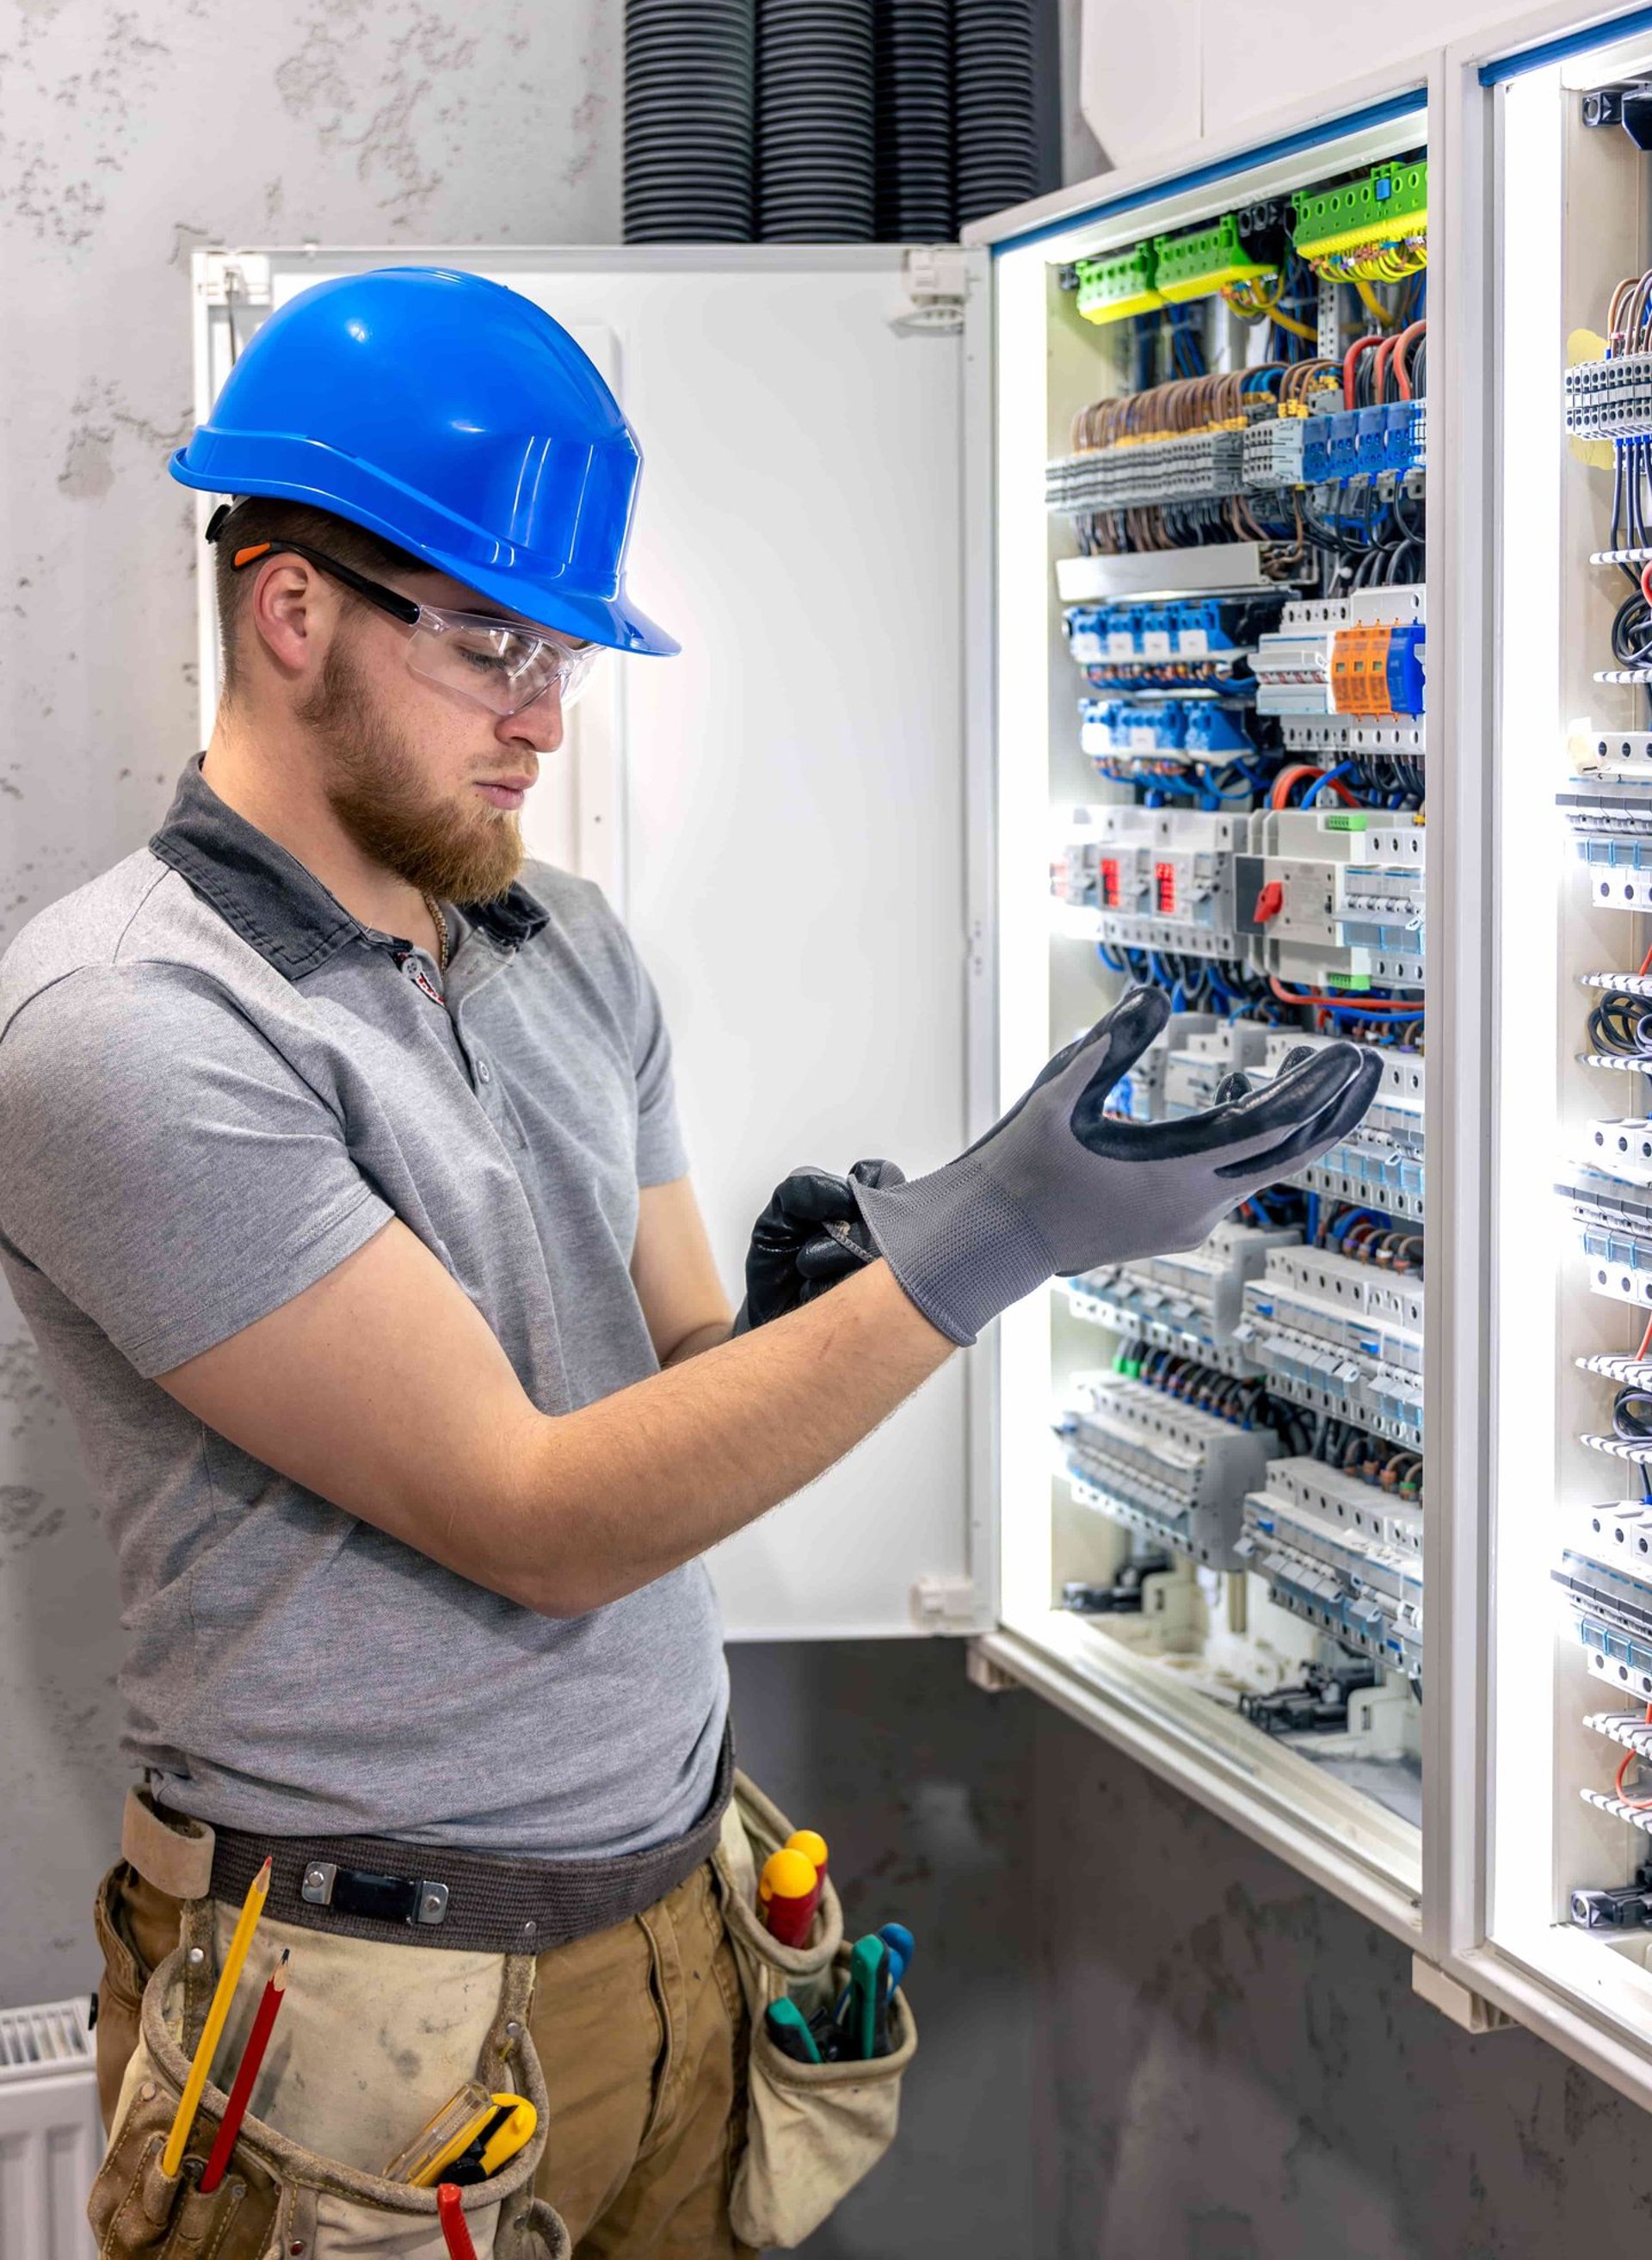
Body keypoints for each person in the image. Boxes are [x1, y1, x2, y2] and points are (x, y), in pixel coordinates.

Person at [0, 269, 1379, 2256]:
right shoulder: (129, 1032)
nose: (547, 719)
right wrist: (992, 1246)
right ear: (290, 610)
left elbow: (667, 1378)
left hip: (681, 1926)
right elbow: (535, 1514)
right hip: (360, 2027)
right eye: (491, 648)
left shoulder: (565, 947)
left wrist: (795, 1323)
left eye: (561, 653)